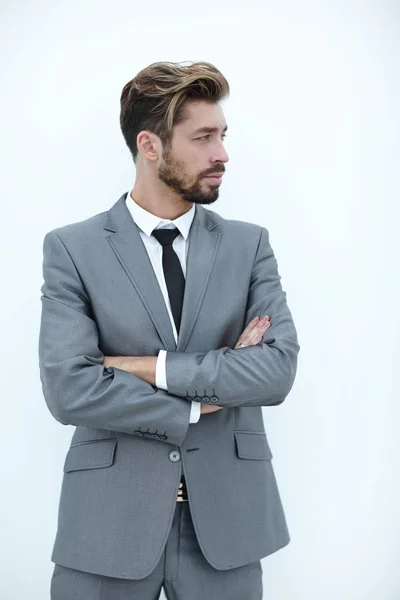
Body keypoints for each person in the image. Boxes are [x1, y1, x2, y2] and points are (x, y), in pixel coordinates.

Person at [38, 60, 300, 600]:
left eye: (223, 136)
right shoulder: (72, 249)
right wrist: (198, 401)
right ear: (150, 145)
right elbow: (69, 389)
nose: (222, 153)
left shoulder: (249, 245)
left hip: (228, 528)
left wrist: (146, 367)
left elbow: (275, 370)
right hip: (106, 524)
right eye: (203, 137)